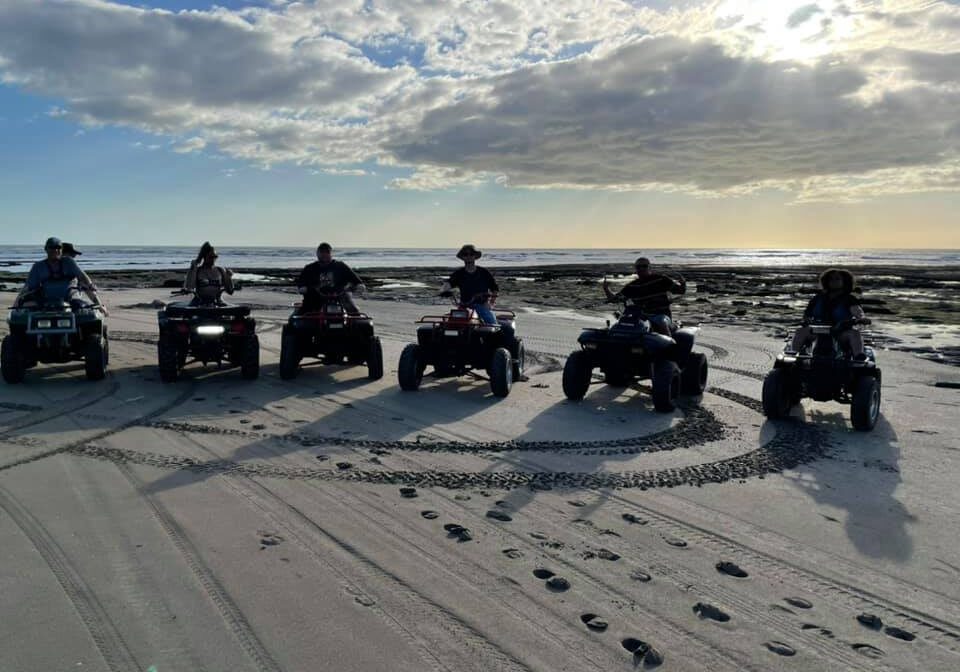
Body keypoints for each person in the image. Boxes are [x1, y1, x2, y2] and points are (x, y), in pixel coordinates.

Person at [440, 244, 517, 350]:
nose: (469, 256)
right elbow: (448, 283)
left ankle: (498, 352)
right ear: (462, 257)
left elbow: (494, 288)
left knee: (493, 327)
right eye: (466, 254)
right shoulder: (459, 273)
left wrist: (491, 303)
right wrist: (444, 290)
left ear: (475, 256)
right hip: (464, 307)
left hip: (482, 306)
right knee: (448, 327)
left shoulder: (483, 273)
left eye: (471, 254)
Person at [789, 268, 867, 360]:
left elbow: (857, 311)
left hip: (840, 332)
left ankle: (858, 357)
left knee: (855, 334)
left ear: (845, 281)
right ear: (826, 281)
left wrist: (861, 318)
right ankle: (792, 355)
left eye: (837, 279)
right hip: (817, 331)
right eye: (831, 279)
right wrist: (806, 320)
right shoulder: (817, 298)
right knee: (800, 331)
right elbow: (807, 314)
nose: (833, 281)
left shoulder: (849, 299)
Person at [603, 256, 686, 335]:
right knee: (623, 323)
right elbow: (614, 299)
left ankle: (670, 346)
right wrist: (606, 288)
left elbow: (680, 291)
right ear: (636, 269)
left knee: (661, 322)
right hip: (641, 316)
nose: (641, 269)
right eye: (639, 267)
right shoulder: (632, 286)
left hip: (661, 314)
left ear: (649, 267)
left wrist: (683, 283)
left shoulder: (661, 279)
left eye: (644, 266)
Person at [19, 237, 102, 310]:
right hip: (46, 301)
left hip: (71, 300)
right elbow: (28, 287)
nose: (55, 250)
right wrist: (18, 302)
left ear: (61, 250)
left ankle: (99, 307)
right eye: (52, 247)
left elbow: (83, 276)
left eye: (58, 247)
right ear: (46, 249)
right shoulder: (38, 267)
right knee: (26, 307)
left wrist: (91, 286)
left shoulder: (69, 262)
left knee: (83, 309)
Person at [296, 243, 366, 315]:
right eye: (322, 252)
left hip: (339, 296)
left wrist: (360, 286)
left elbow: (356, 280)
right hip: (316, 296)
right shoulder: (309, 268)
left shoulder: (341, 266)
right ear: (317, 253)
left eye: (327, 252)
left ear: (331, 253)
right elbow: (301, 282)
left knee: (354, 312)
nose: (324, 254)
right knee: (301, 316)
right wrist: (302, 288)